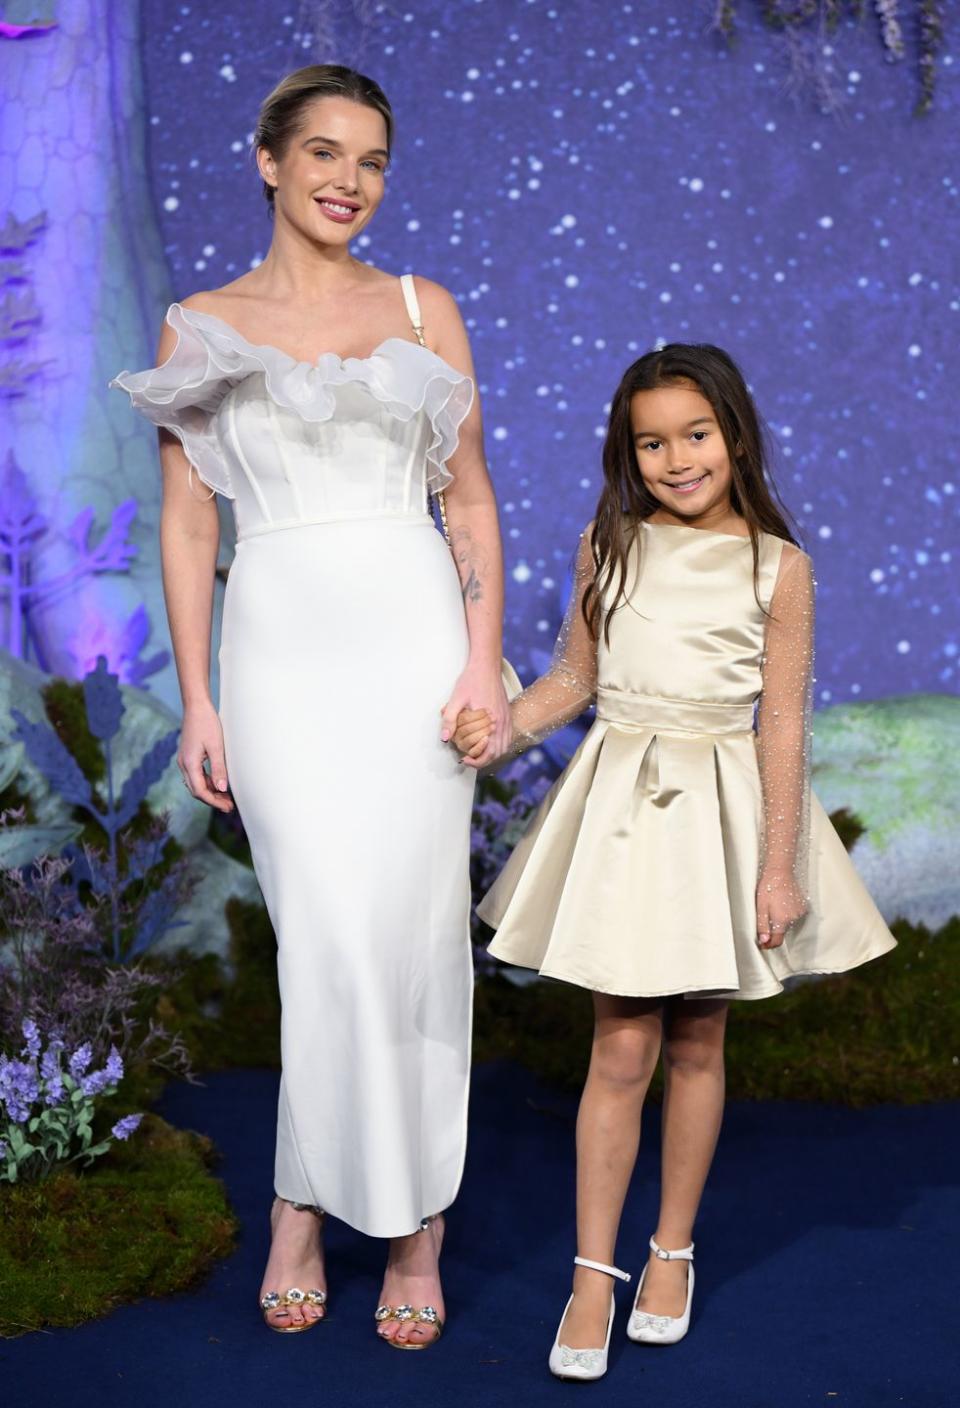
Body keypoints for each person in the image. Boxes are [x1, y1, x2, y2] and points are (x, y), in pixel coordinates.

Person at [112, 63, 510, 1349]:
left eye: (375, 160)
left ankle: (413, 1227)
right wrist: (199, 700)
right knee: (325, 941)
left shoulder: (420, 306)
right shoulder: (198, 323)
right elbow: (186, 523)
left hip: (415, 650)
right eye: (327, 153)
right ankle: (300, 1202)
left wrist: (478, 663)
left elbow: (471, 499)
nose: (351, 180)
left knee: (411, 940)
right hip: (277, 657)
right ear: (270, 160)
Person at [453, 343, 896, 1381]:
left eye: (695, 434)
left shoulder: (777, 565)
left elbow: (781, 721)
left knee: (698, 1040)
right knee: (619, 1047)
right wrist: (502, 727)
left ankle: (672, 1251)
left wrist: (776, 865)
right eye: (652, 441)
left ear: (734, 434)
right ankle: (591, 1274)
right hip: (621, 809)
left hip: (721, 810)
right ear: (629, 452)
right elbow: (574, 674)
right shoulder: (608, 545)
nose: (676, 458)